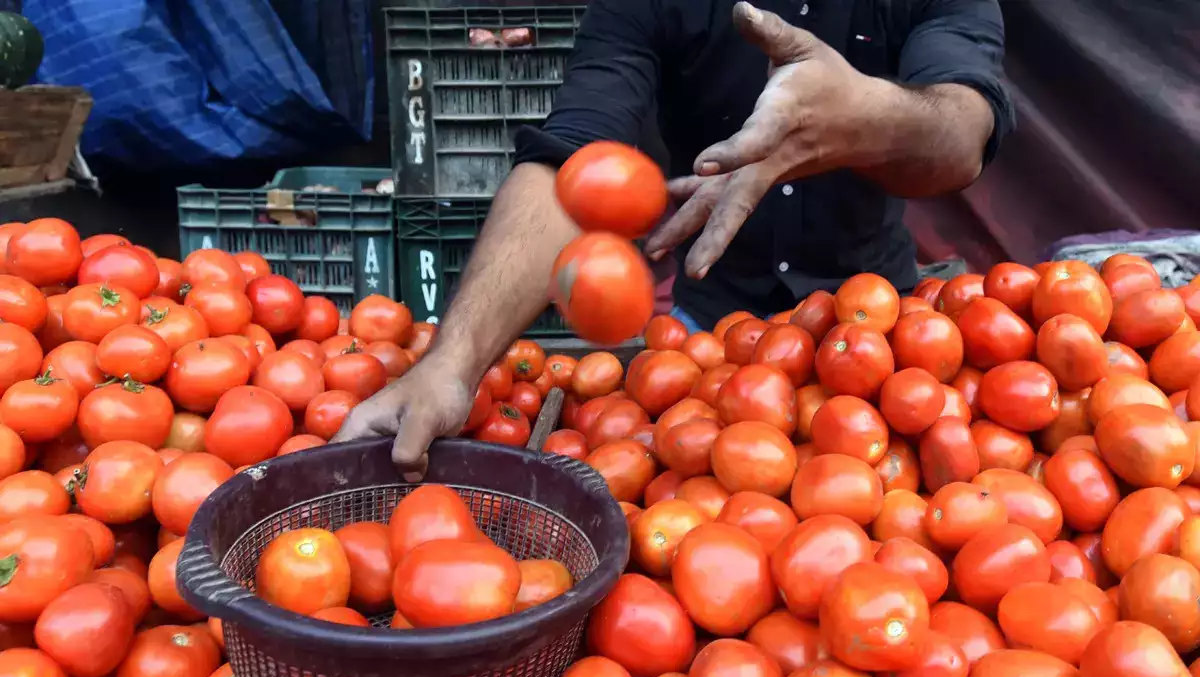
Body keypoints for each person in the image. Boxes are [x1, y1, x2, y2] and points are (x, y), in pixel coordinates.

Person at [335, 0, 1015, 478]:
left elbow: (963, 130)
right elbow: (573, 163)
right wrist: (452, 366)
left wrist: (863, 120)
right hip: (710, 350)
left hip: (884, 342)